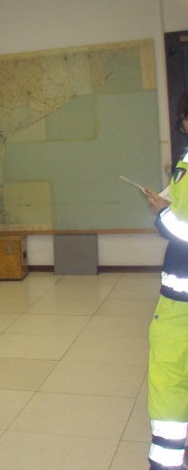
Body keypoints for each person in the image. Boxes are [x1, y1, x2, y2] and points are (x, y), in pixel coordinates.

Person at [144, 95, 188, 470]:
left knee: (169, 377)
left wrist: (162, 214)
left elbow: (184, 229)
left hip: (181, 303)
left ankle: (167, 461)